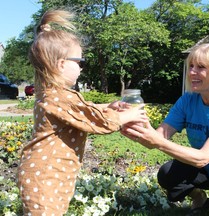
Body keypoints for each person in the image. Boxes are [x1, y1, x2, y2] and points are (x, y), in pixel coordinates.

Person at [17, 9, 147, 215]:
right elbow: (98, 123)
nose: (82, 68)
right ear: (61, 64)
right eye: (80, 62)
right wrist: (127, 116)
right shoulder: (58, 97)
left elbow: (82, 111)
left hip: (52, 174)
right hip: (45, 176)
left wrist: (107, 107)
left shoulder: (54, 95)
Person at [121, 42, 209, 216]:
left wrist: (157, 142)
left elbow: (202, 158)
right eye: (191, 66)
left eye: (201, 67)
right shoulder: (188, 100)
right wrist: (137, 129)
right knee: (167, 174)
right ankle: (199, 198)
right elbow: (158, 137)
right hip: (204, 167)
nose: (192, 72)